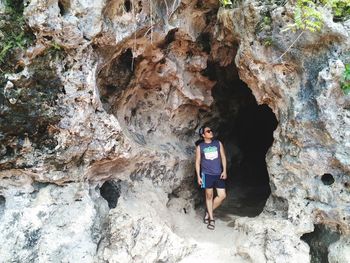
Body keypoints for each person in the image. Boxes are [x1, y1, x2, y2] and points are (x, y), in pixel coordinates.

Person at [195, 126, 227, 230]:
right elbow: (197, 162)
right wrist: (199, 176)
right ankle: (211, 219)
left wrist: (224, 170)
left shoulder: (218, 143)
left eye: (211, 130)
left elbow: (223, 157)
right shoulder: (200, 146)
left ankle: (208, 212)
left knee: (222, 196)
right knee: (209, 196)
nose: (211, 132)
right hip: (206, 174)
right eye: (208, 131)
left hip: (218, 174)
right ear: (203, 135)